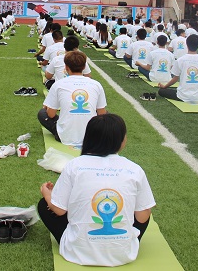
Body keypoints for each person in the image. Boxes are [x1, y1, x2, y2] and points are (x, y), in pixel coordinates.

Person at [38, 114, 155, 267]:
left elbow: (59, 210)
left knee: (43, 205)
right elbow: (142, 216)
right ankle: (119, 243)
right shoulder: (135, 169)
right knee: (144, 207)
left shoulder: (75, 165)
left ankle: (86, 242)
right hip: (124, 254)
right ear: (121, 141)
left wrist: (48, 195)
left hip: (77, 251)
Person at [38, 51, 107, 147]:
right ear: (84, 67)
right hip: (91, 136)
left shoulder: (58, 84)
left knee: (42, 113)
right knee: (105, 112)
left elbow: (50, 114)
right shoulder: (96, 84)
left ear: (66, 67)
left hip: (64, 136)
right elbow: (102, 114)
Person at [158, 34, 198, 103]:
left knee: (161, 91)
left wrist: (165, 86)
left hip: (182, 96)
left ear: (186, 44)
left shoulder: (180, 60)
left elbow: (175, 79)